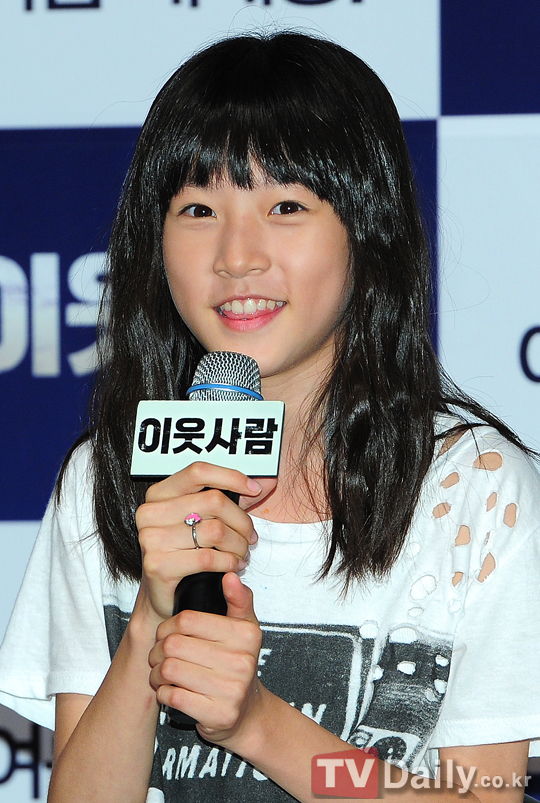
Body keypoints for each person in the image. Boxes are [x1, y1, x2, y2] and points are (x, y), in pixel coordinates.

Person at [1, 30, 539, 803]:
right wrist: (151, 617)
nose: (236, 256)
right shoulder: (109, 475)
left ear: (368, 230)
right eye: (198, 208)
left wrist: (259, 724)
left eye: (286, 206)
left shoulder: (476, 491)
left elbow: (483, 796)